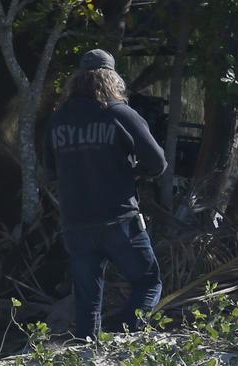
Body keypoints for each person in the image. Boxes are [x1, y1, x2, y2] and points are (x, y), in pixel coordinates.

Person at [44, 49, 167, 339]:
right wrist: (136, 173)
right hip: (119, 219)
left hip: (75, 222)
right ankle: (123, 337)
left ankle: (88, 351)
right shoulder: (120, 113)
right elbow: (158, 163)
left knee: (87, 302)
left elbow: (49, 171)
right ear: (112, 78)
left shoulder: (58, 120)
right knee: (149, 283)